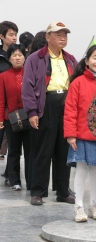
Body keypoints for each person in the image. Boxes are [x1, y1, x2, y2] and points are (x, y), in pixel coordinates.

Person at [22, 21, 77, 205]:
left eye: (65, 35)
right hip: (46, 105)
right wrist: (32, 112)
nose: (63, 38)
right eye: (58, 35)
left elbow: (76, 84)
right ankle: (38, 191)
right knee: (42, 150)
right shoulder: (35, 58)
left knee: (64, 150)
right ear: (48, 37)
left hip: (66, 105)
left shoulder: (70, 59)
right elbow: (28, 87)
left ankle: (62, 191)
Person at [64, 44, 96, 222]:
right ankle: (79, 206)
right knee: (81, 171)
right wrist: (70, 134)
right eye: (95, 57)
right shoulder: (77, 83)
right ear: (87, 60)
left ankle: (93, 204)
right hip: (81, 136)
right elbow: (70, 110)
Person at [0, 44, 30, 190]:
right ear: (9, 58)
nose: (17, 58)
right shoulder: (3, 76)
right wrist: (1, 119)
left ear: (25, 57)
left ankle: (31, 180)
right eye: (14, 55)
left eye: (20, 55)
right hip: (10, 119)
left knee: (30, 150)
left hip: (29, 117)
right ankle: (14, 180)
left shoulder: (30, 74)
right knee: (13, 150)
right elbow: (1, 100)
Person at [0, 21, 18, 185]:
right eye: (11, 34)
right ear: (2, 37)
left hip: (11, 111)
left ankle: (9, 175)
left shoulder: (18, 56)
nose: (14, 37)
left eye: (15, 34)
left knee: (12, 145)